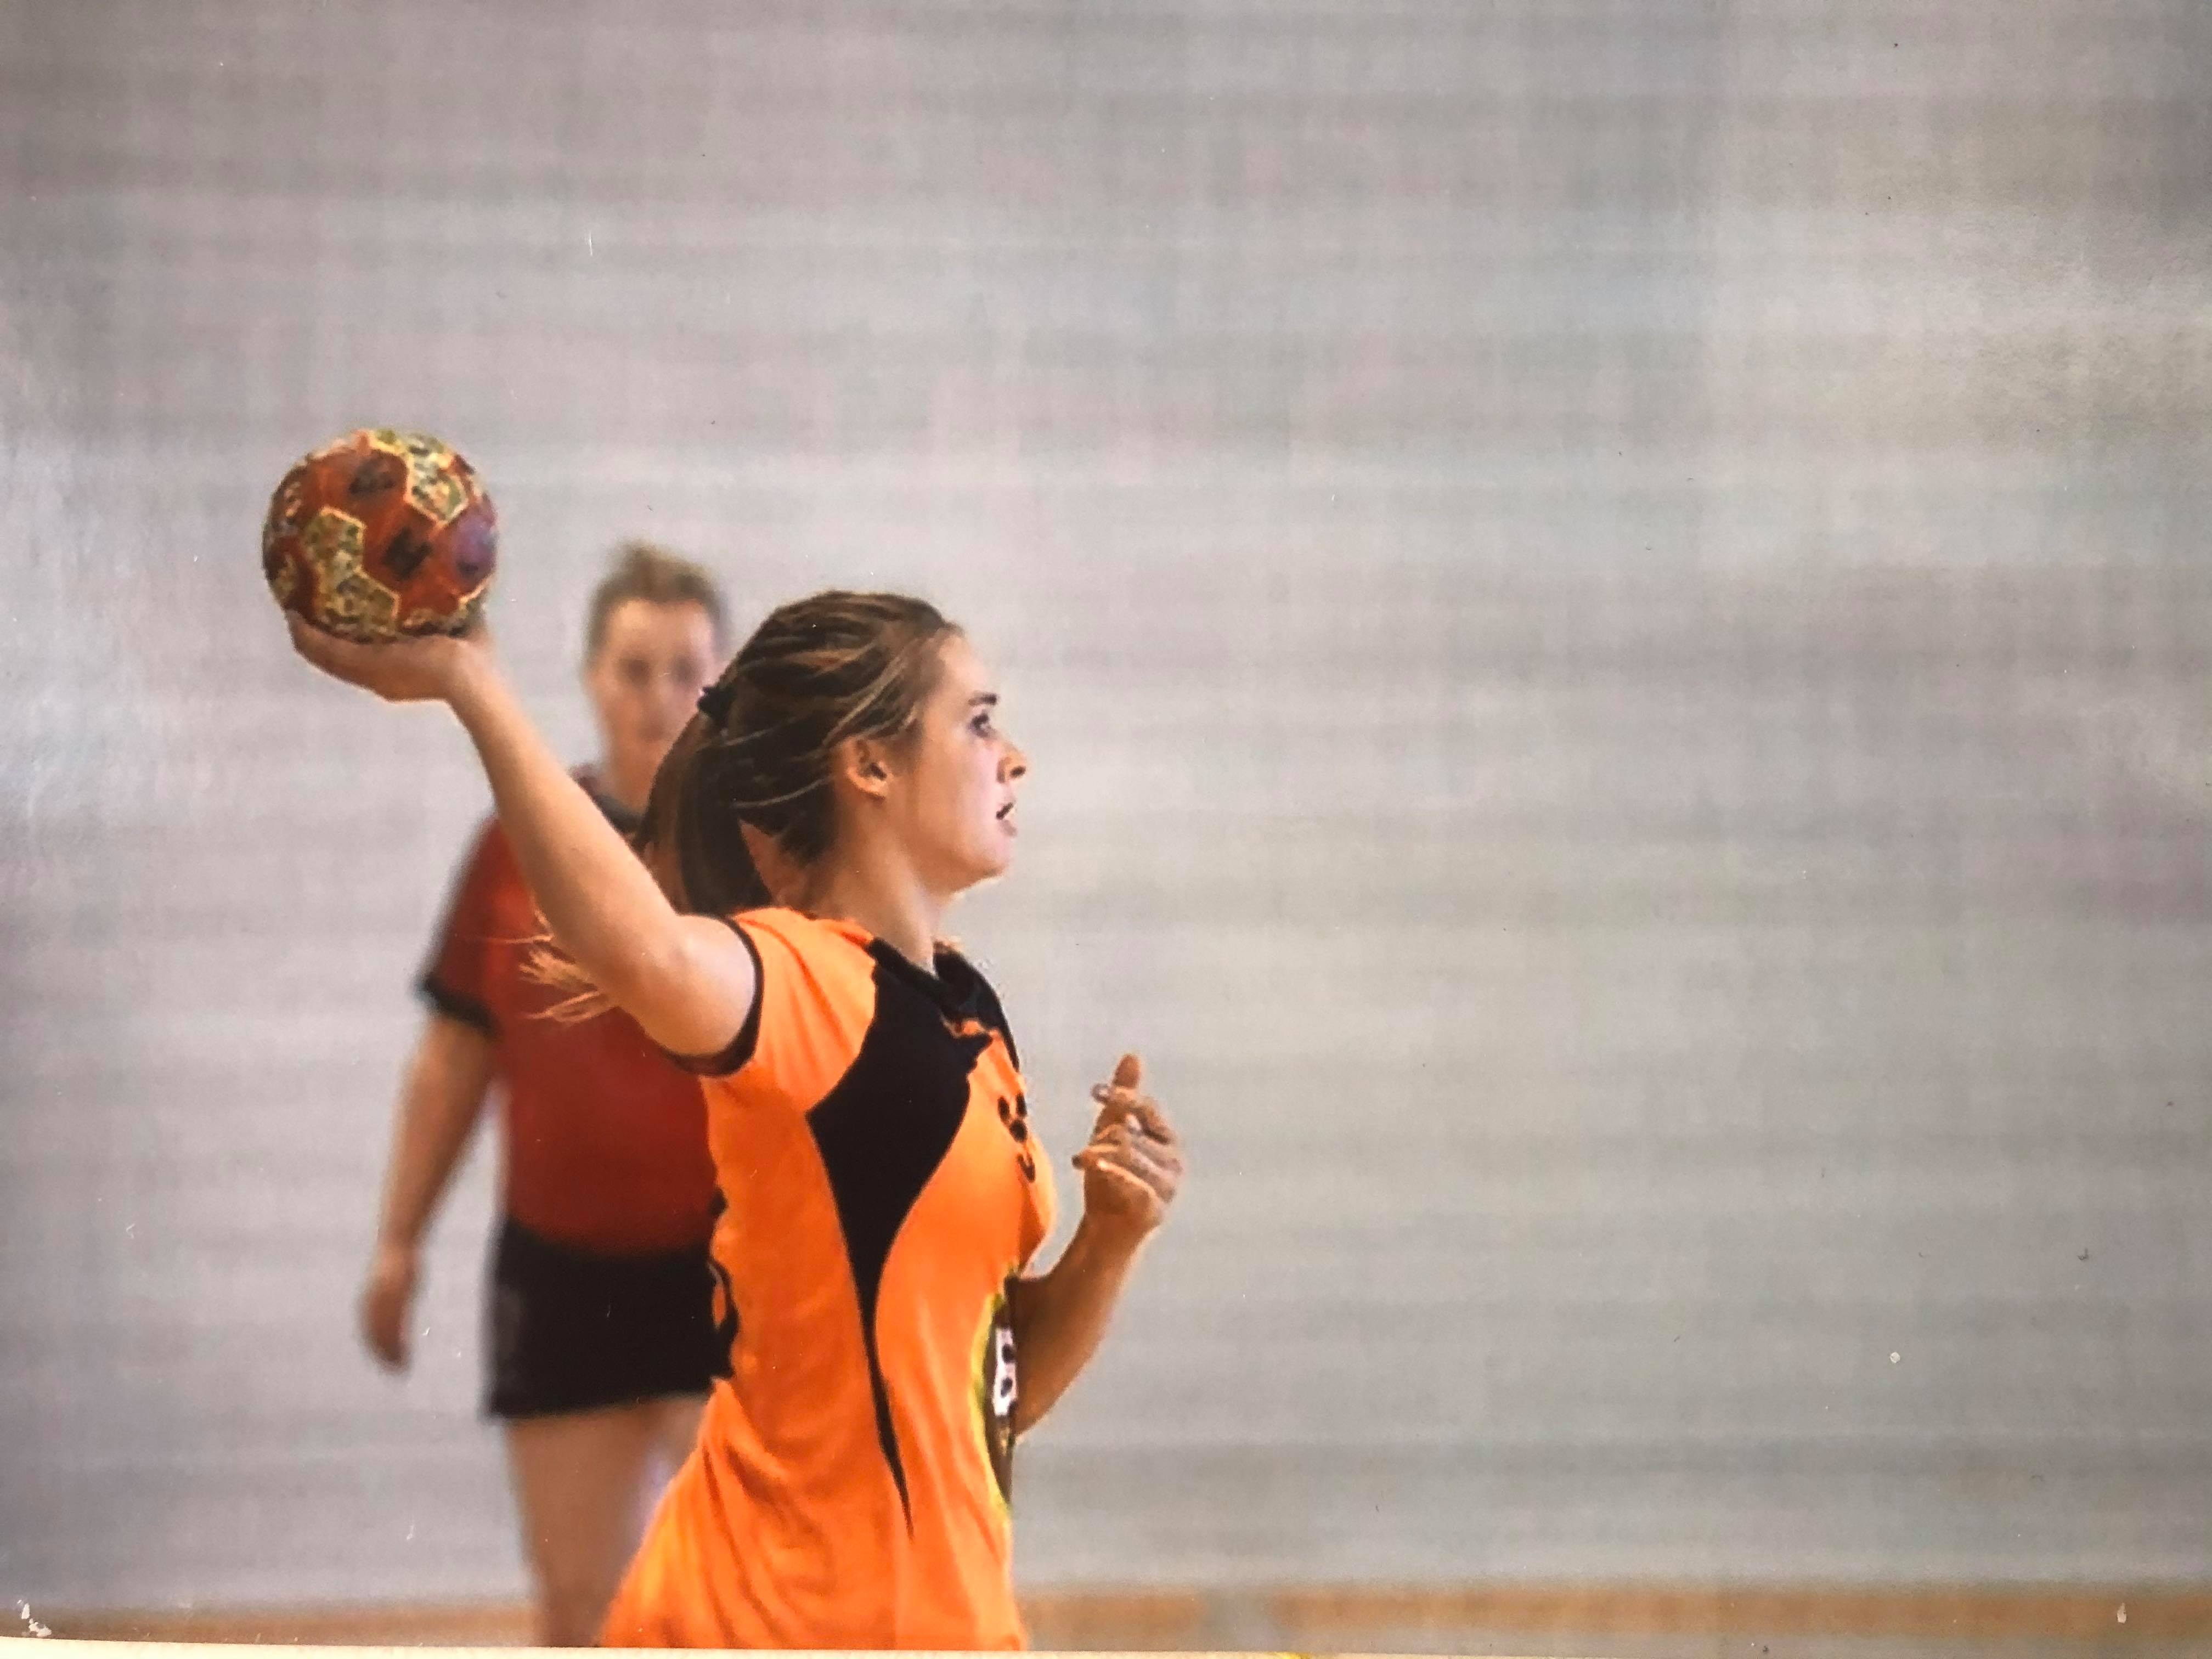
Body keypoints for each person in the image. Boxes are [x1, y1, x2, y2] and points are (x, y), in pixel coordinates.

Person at [291, 587, 1184, 1651]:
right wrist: (473, 684)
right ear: (872, 765)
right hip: (764, 1627)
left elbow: (991, 1393)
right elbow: (648, 952)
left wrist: (1110, 1242)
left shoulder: (968, 1012)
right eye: (980, 722)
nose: (1015, 758)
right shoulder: (809, 982)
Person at [356, 544, 730, 1646]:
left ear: (722, 687)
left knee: (737, 1607)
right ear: (592, 680)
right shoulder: (518, 848)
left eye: (685, 672)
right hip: (562, 1278)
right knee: (579, 1604)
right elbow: (453, 1062)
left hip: (728, 1274)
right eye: (634, 670)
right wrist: (399, 1241)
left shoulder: (758, 859)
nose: (658, 698)